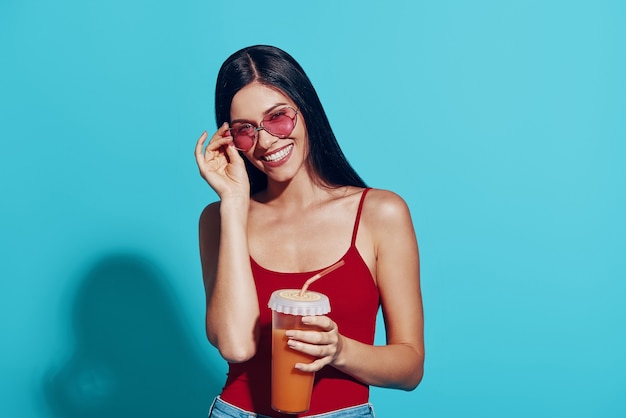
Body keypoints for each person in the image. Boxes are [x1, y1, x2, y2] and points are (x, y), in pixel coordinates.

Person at [195, 45, 424, 418]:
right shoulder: (218, 218)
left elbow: (410, 367)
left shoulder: (381, 213)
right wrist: (234, 203)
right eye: (245, 130)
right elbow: (236, 347)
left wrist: (339, 350)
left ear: (306, 111)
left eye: (278, 118)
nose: (266, 141)